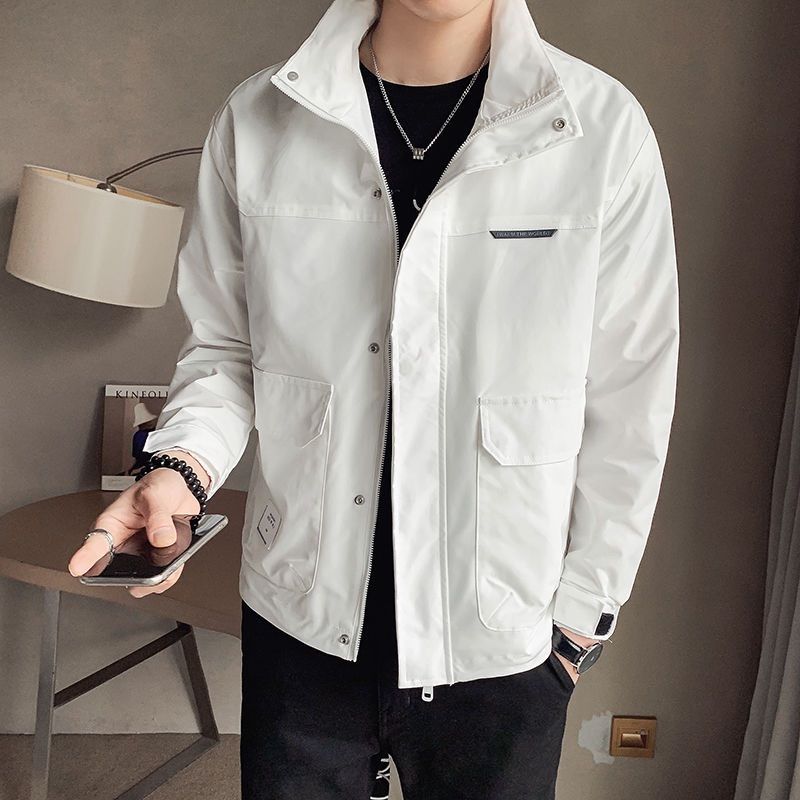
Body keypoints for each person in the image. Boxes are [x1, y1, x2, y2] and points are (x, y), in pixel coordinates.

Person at [68, 0, 680, 797]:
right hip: (302, 620)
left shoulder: (599, 128)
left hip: (503, 634)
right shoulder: (259, 121)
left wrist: (580, 619)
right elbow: (227, 349)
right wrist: (182, 467)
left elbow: (631, 397)